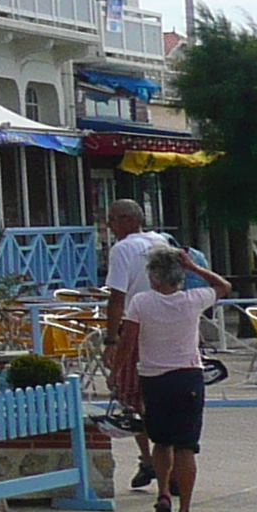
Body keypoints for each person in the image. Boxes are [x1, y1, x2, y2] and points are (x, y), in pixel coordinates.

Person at [126, 245, 226, 512]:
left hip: (153, 378)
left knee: (161, 441)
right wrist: (193, 267)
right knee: (186, 447)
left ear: (153, 278)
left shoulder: (141, 302)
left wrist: (119, 375)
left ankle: (163, 493)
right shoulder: (193, 299)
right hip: (187, 378)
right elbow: (223, 285)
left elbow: (128, 342)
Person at [101, 201, 174, 490]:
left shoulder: (122, 249)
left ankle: (150, 459)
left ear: (129, 220)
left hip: (137, 328)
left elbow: (116, 298)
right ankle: (163, 462)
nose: (110, 226)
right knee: (167, 397)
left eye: (113, 220)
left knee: (134, 396)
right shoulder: (162, 241)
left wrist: (111, 341)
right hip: (170, 327)